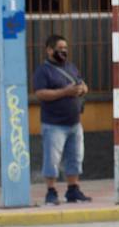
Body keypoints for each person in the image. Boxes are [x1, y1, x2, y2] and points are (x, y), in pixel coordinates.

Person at [31, 35, 90, 204]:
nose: (64, 51)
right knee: (52, 159)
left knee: (75, 157)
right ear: (50, 50)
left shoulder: (71, 67)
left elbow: (82, 83)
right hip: (53, 124)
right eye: (60, 48)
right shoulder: (43, 71)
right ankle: (51, 192)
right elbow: (40, 93)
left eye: (65, 48)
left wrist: (82, 89)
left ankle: (73, 190)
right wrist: (65, 92)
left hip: (74, 122)